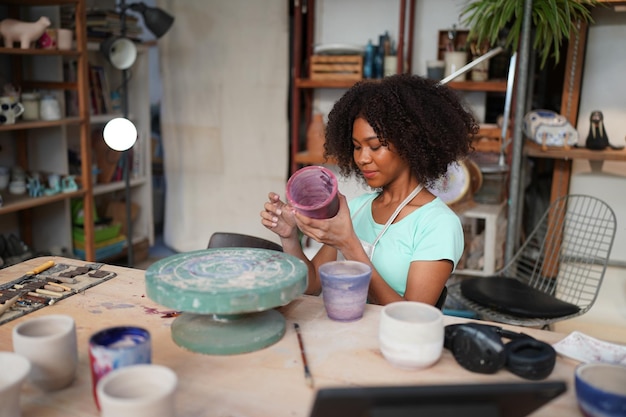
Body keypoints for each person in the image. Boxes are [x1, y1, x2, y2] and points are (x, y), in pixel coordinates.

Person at [261, 74, 478, 306]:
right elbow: (312, 285)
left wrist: (349, 245)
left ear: (410, 144)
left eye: (375, 146)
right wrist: (290, 238)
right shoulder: (356, 208)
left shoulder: (438, 224)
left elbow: (411, 317)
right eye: (356, 147)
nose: (363, 158)